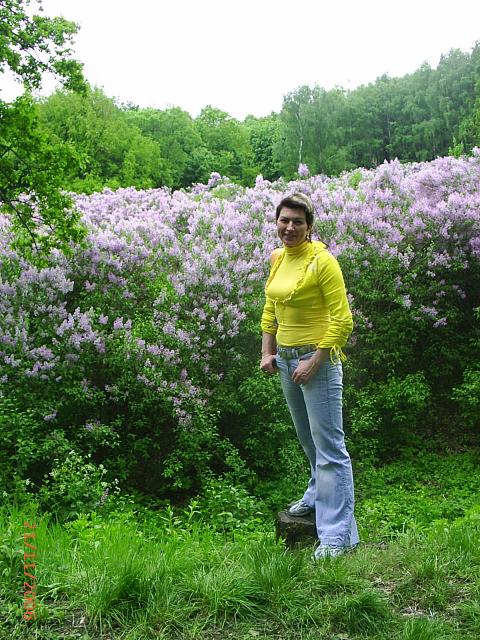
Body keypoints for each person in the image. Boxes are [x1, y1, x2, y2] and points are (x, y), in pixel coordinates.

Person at [259, 192, 359, 559]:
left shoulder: (323, 261)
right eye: (284, 220)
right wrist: (267, 352)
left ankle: (338, 536)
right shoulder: (277, 258)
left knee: (330, 446)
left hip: (317, 362)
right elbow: (270, 309)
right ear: (277, 222)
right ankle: (318, 495)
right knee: (308, 441)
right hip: (286, 361)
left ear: (309, 226)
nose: (289, 227)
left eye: (297, 222)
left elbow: (342, 320)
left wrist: (314, 360)